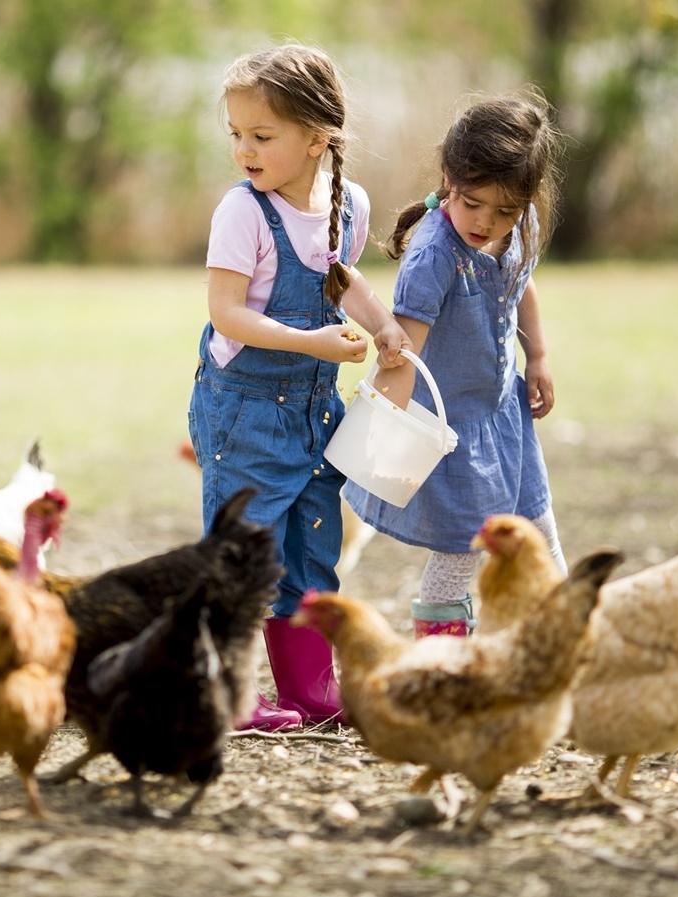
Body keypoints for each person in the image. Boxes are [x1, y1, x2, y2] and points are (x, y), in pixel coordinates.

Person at [188, 44, 411, 730]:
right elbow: (226, 313)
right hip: (243, 410)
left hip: (315, 411)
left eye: (261, 136)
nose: (243, 151)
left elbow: (340, 280)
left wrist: (380, 327)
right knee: (242, 557)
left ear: (318, 139)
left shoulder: (350, 206)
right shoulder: (243, 213)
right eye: (235, 135)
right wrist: (311, 342)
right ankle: (228, 693)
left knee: (312, 548)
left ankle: (308, 690)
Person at [343, 89, 570, 638]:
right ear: (450, 175)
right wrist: (375, 438)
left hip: (504, 420)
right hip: (452, 435)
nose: (488, 222)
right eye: (473, 204)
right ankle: (440, 662)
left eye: (506, 210)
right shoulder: (434, 256)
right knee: (460, 554)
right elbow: (404, 354)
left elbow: (521, 286)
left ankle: (567, 643)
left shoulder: (517, 229)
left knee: (541, 538)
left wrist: (536, 355)